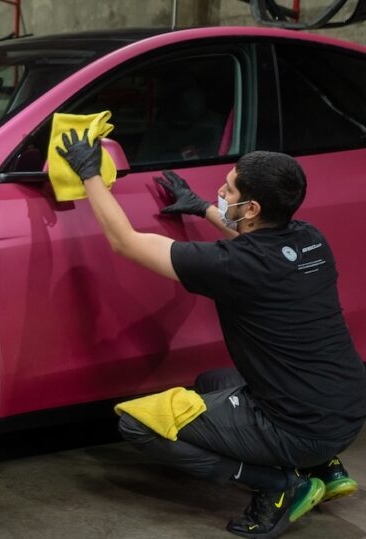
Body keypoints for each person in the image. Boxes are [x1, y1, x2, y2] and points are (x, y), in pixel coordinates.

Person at [56, 129, 366, 538]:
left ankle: (277, 485)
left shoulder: (235, 266)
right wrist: (203, 209)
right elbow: (255, 240)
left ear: (252, 206)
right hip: (347, 407)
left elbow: (125, 242)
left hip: (299, 425)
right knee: (211, 382)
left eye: (229, 187)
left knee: (139, 424)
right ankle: (324, 463)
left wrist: (89, 174)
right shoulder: (310, 239)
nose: (221, 188)